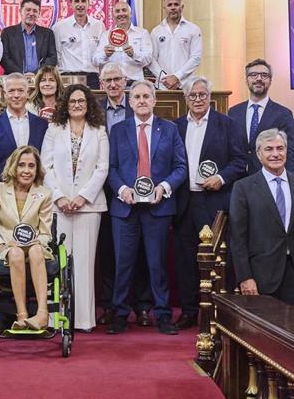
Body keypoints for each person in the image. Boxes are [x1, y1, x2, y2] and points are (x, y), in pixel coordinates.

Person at [106, 80, 188, 335]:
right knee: (122, 264)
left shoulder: (170, 129)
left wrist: (163, 187)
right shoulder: (118, 130)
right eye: (137, 97)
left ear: (154, 100)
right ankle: (120, 314)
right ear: (130, 102)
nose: (141, 100)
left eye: (146, 96)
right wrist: (122, 189)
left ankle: (163, 315)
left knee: (157, 265)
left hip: (158, 207)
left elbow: (180, 167)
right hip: (125, 208)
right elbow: (111, 168)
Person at [172, 77, 246, 329]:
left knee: (217, 259)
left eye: (202, 94)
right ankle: (189, 311)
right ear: (185, 99)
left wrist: (221, 177)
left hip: (214, 202)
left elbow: (240, 161)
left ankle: (219, 310)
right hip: (184, 202)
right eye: (192, 95)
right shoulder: (176, 126)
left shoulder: (227, 124)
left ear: (210, 97)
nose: (198, 99)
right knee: (185, 259)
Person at [229, 129, 294, 310]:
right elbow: (238, 238)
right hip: (260, 274)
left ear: (287, 151)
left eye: (280, 148)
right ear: (259, 154)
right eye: (269, 149)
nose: (275, 154)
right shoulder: (243, 187)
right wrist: (245, 277)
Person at [41, 84, 109, 331]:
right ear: (65, 105)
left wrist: (83, 197)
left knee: (84, 263)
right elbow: (45, 166)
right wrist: (59, 197)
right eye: (72, 101)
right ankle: (56, 318)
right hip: (59, 206)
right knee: (58, 262)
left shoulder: (99, 131)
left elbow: (102, 167)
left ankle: (82, 320)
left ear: (88, 104)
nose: (77, 105)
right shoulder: (54, 129)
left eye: (81, 101)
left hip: (88, 207)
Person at [95, 62, 152, 325]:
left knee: (140, 250)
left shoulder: (138, 107)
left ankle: (142, 305)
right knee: (108, 250)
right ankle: (110, 305)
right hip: (102, 189)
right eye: (108, 80)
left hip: (135, 191)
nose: (113, 84)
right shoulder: (94, 111)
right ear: (101, 84)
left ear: (125, 81)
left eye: (117, 79)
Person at [0, 146, 54, 330]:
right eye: (21, 165)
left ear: (37, 170)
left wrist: (38, 241)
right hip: (7, 250)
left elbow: (45, 233)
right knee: (16, 253)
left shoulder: (44, 194)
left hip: (35, 249)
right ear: (13, 167)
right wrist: (2, 246)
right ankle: (22, 315)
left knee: (35, 250)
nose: (26, 171)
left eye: (31, 166)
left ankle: (42, 314)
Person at [0, 73, 48, 197]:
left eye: (20, 90)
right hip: (2, 193)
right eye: (11, 91)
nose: (16, 95)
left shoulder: (42, 124)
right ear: (4, 94)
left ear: (28, 93)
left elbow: (46, 162)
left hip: (35, 194)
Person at [228, 59, 294, 174]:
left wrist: (291, 180)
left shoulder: (283, 114)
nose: (259, 78)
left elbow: (289, 152)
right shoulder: (233, 112)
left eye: (264, 75)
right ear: (246, 80)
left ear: (270, 81)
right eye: (253, 75)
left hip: (268, 177)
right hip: (237, 178)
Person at [52, 0, 103, 88]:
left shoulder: (99, 25)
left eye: (83, 1)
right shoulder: (59, 27)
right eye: (76, 1)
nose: (80, 5)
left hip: (92, 77)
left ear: (88, 3)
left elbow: (101, 53)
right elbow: (57, 55)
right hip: (68, 77)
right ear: (71, 4)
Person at [149, 0, 202, 90]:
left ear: (182, 6)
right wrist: (164, 79)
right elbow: (151, 59)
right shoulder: (156, 31)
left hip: (186, 86)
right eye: (169, 5)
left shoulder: (193, 29)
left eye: (176, 4)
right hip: (162, 86)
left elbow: (196, 58)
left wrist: (177, 77)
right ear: (164, 7)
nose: (173, 7)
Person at [92, 1, 152, 83]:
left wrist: (134, 54)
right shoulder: (106, 35)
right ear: (113, 16)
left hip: (135, 82)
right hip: (114, 83)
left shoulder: (142, 33)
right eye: (117, 11)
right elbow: (95, 60)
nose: (121, 14)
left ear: (131, 14)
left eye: (124, 10)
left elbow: (148, 59)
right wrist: (105, 54)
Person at [0, 0, 58, 77]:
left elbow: (52, 58)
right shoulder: (7, 33)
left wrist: (37, 73)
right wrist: (21, 74)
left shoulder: (48, 34)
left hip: (40, 78)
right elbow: (4, 58)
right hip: (14, 78)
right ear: (20, 11)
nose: (31, 13)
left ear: (39, 14)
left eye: (35, 11)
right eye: (28, 10)